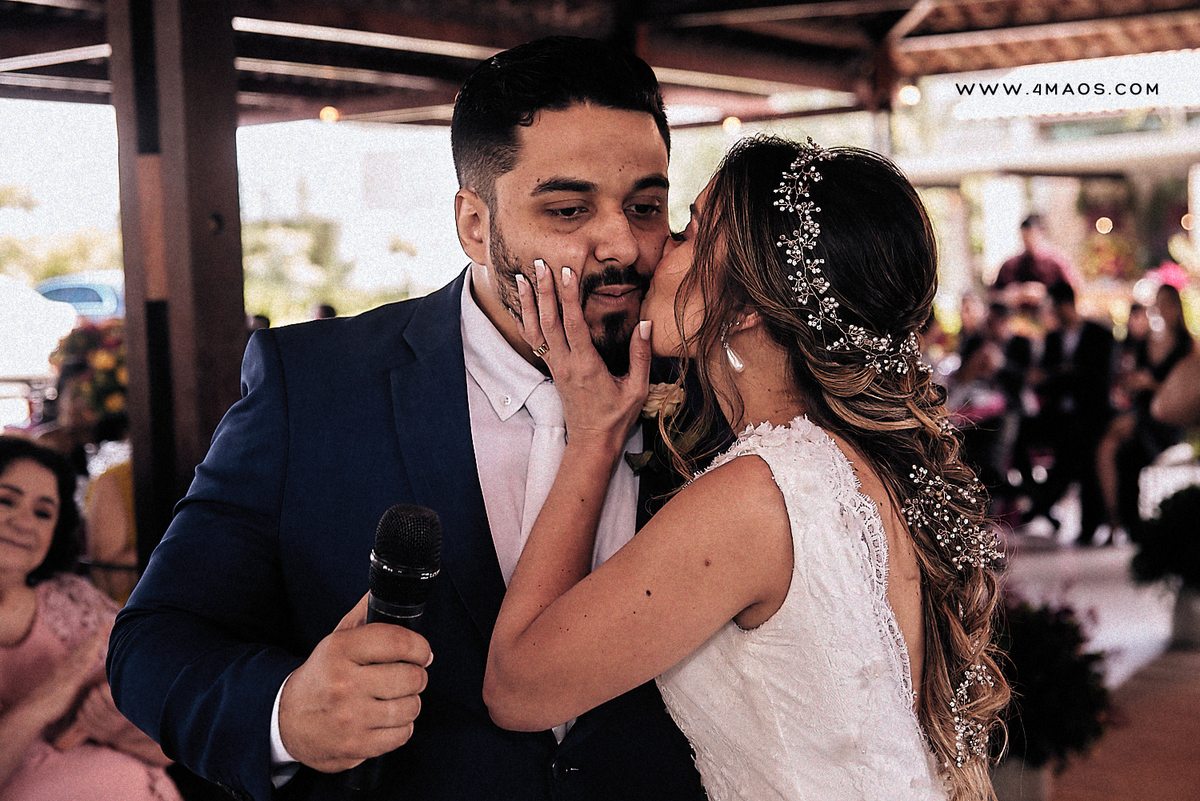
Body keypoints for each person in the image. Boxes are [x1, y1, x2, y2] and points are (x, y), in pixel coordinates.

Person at [108, 36, 706, 801]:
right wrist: (285, 712)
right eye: (568, 209)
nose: (623, 243)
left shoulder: (715, 391)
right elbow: (152, 640)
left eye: (646, 207)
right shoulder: (315, 387)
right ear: (475, 225)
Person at [484, 137, 1010, 801]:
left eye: (691, 233)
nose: (656, 252)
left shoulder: (761, 496)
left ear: (744, 305)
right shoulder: (856, 470)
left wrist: (591, 435)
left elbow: (516, 685)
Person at [0, 436, 178, 801]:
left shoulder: (72, 600)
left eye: (43, 512)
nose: (24, 522)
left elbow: (166, 747)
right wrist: (46, 700)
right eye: (6, 501)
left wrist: (115, 729)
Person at [1095, 283, 1194, 541]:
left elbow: (1189, 392)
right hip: (1142, 414)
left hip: (1169, 418)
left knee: (1129, 453)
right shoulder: (1145, 342)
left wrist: (1150, 384)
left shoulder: (1187, 345)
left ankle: (1130, 524)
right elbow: (1128, 385)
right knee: (1106, 447)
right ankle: (1116, 519)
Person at [1024, 281, 1115, 544]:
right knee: (1019, 436)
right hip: (1058, 416)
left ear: (1064, 304)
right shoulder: (1053, 339)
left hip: (1091, 415)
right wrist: (1064, 374)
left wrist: (1060, 375)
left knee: (1082, 449)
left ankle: (1049, 509)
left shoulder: (1100, 335)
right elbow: (1042, 379)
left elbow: (1098, 380)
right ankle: (1037, 503)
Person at [991, 214, 1078, 291]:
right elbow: (994, 294)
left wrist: (1045, 293)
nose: (1028, 241)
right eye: (1025, 237)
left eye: (1032, 236)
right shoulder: (1010, 266)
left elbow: (1074, 291)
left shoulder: (1056, 263)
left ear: (1041, 234)